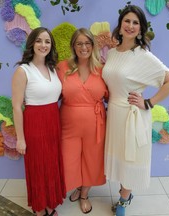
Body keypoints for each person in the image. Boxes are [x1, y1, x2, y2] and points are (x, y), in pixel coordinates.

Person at [102, 5, 169, 216]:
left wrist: (149, 103)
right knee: (119, 158)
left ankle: (123, 202)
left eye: (136, 22)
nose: (131, 26)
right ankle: (124, 191)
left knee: (131, 159)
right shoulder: (112, 53)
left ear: (141, 28)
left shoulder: (143, 55)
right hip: (114, 113)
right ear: (120, 24)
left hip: (132, 115)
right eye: (127, 21)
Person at [12, 27, 66, 216]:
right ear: (32, 44)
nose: (43, 45)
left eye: (47, 42)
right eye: (39, 41)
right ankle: (39, 208)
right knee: (38, 167)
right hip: (34, 123)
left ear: (51, 46)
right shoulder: (23, 70)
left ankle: (50, 202)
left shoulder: (53, 68)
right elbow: (17, 107)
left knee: (50, 165)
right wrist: (20, 138)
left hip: (53, 121)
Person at [56, 28, 108, 214]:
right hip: (68, 124)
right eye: (79, 43)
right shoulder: (62, 67)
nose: (83, 47)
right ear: (73, 46)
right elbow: (52, 93)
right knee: (68, 160)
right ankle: (75, 186)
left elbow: (111, 96)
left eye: (87, 43)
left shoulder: (102, 69)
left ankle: (84, 193)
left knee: (92, 160)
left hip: (96, 125)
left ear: (93, 46)